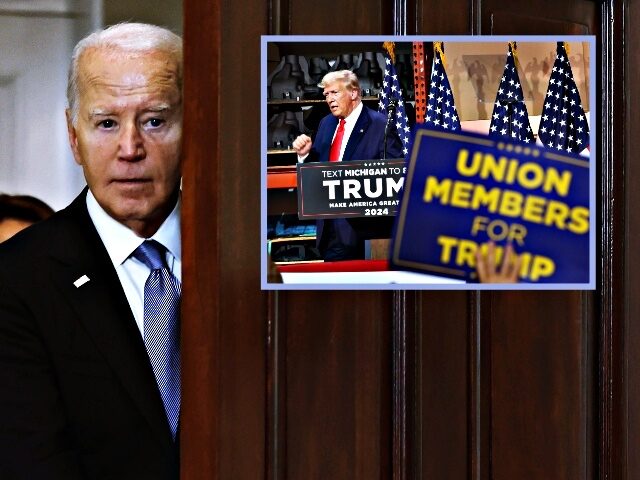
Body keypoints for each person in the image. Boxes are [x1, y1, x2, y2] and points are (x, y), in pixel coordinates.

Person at [0, 23, 182, 479]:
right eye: (106, 123)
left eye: (154, 120)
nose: (129, 148)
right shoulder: (17, 278)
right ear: (73, 135)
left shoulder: (250, 261)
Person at [292, 70, 403, 261]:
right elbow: (318, 174)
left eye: (334, 93)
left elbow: (396, 176)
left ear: (353, 93)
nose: (329, 99)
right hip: (329, 230)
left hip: (364, 234)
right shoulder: (326, 124)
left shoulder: (380, 125)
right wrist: (305, 156)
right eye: (326, 94)